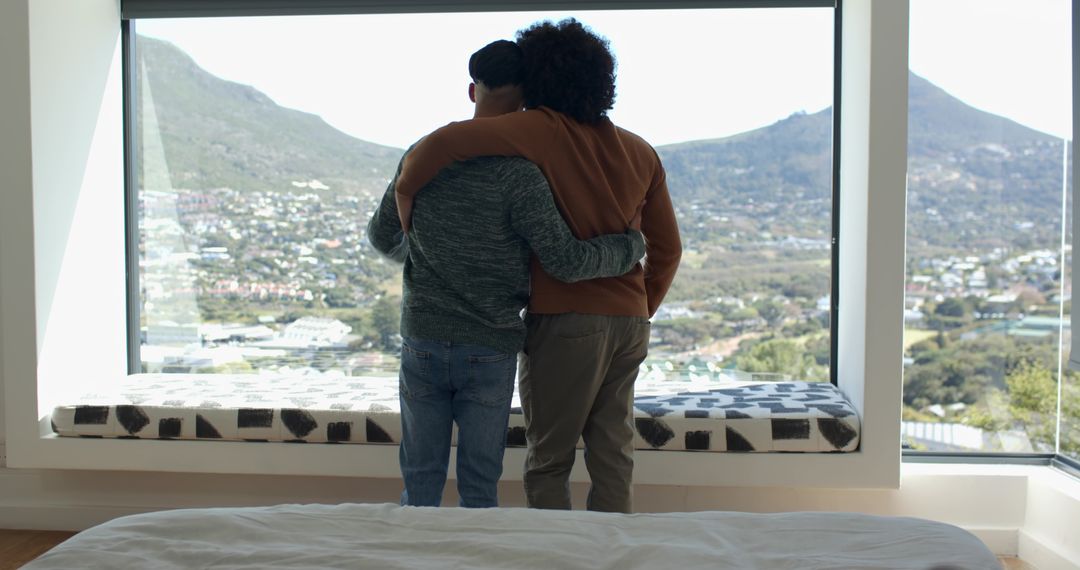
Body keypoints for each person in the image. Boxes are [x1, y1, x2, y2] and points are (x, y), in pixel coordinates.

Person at [391, 19, 682, 514]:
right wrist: (639, 308)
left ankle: (553, 558)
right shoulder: (641, 150)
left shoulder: (542, 130)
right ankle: (608, 554)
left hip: (567, 320)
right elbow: (668, 249)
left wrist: (404, 192)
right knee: (614, 452)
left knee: (550, 457)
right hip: (630, 323)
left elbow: (442, 143)